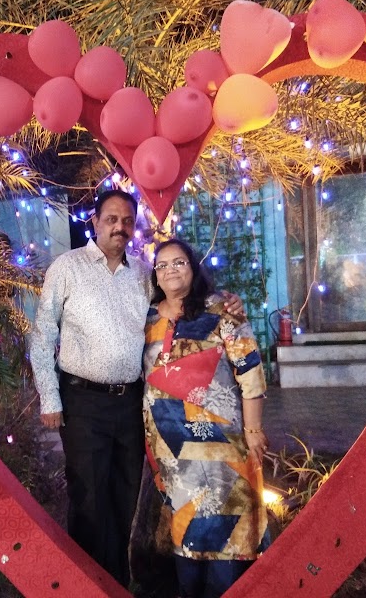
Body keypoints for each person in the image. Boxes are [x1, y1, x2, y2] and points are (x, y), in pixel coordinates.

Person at [29, 190, 245, 587]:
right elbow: (43, 333)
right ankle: (86, 586)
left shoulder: (145, 273)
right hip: (82, 401)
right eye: (111, 219)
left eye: (127, 220)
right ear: (95, 222)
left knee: (124, 496)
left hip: (130, 403)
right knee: (89, 498)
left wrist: (225, 303)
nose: (120, 227)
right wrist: (49, 397)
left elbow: (179, 302)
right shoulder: (68, 267)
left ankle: (115, 584)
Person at [142, 238, 269, 598]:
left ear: (193, 267)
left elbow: (250, 371)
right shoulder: (146, 318)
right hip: (171, 450)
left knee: (226, 531)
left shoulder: (222, 311)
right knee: (185, 530)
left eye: (178, 262)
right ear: (155, 275)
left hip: (221, 446)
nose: (170, 270)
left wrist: (253, 428)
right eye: (162, 265)